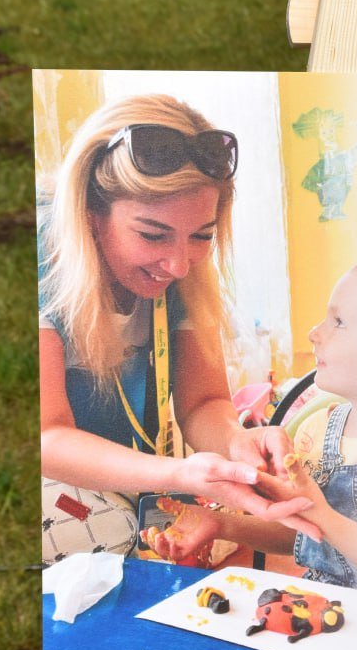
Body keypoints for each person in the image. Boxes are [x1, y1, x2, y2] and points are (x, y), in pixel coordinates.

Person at [39, 94, 310, 543]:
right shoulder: (39, 259)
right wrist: (179, 473)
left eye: (202, 236)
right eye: (152, 235)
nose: (179, 266)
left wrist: (235, 442)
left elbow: (203, 402)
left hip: (112, 506)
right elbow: (45, 436)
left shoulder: (179, 266)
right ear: (90, 214)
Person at [151, 256, 357, 592]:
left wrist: (324, 516)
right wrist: (220, 524)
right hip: (324, 610)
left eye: (338, 322)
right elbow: (302, 534)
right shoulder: (316, 431)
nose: (314, 333)